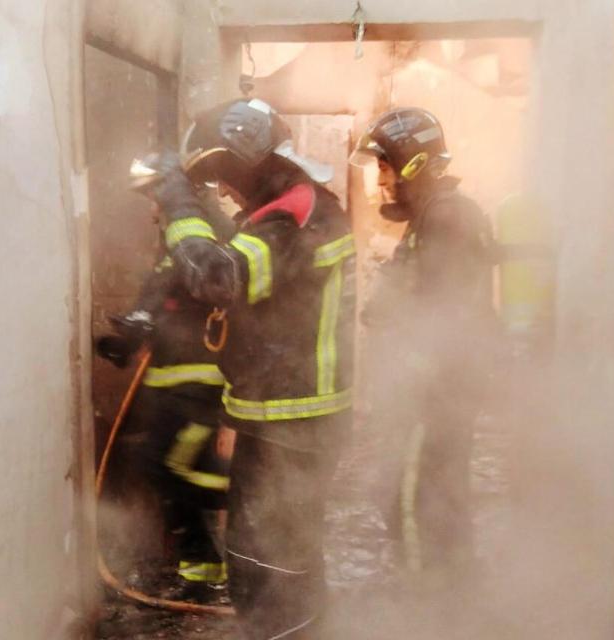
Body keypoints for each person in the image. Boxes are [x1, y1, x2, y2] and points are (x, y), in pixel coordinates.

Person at [144, 97, 356, 639]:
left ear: (241, 159)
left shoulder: (296, 215)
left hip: (295, 423)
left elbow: (218, 278)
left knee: (272, 570)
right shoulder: (289, 209)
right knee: (268, 562)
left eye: (222, 178)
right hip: (281, 419)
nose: (226, 193)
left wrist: (177, 200)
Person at [349, 107, 496, 583]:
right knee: (434, 493)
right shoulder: (437, 214)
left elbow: (442, 308)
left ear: (412, 162)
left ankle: (424, 602)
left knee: (411, 497)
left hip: (435, 392)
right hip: (437, 388)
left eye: (385, 166)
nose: (381, 180)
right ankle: (449, 593)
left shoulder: (448, 217)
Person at [96, 204, 234, 601]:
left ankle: (225, 558)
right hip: (173, 392)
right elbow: (156, 308)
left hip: (199, 392)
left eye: (155, 198)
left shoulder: (204, 248)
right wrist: (129, 341)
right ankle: (201, 574)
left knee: (173, 469)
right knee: (171, 469)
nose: (152, 210)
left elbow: (207, 311)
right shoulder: (173, 252)